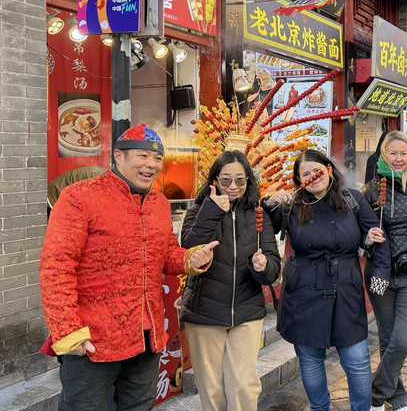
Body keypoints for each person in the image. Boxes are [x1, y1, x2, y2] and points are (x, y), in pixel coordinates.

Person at [39, 123, 217, 411]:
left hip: (146, 336)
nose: (152, 165)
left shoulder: (159, 202)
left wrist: (189, 259)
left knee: (139, 407)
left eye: (158, 158)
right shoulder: (79, 196)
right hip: (93, 340)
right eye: (143, 156)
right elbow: (56, 267)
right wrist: (68, 330)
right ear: (118, 157)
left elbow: (167, 254)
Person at [265, 149, 390, 411]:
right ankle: (318, 408)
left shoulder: (352, 199)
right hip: (303, 289)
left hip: (345, 287)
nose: (313, 177)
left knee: (356, 359)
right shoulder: (292, 205)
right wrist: (269, 203)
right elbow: (263, 227)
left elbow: (376, 237)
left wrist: (377, 268)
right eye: (305, 174)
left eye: (317, 170)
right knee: (310, 359)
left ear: (329, 170)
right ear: (299, 181)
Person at [180, 150, 281, 411]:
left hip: (247, 310)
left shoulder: (258, 214)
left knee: (244, 385)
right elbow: (187, 251)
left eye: (240, 180)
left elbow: (272, 268)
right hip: (205, 311)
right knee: (210, 388)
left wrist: (262, 266)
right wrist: (212, 211)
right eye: (225, 180)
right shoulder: (197, 211)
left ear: (249, 180)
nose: (233, 187)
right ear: (213, 180)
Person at [361, 131, 407, 411]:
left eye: (404, 153)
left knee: (402, 341)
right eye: (393, 153)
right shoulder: (370, 190)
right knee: (387, 338)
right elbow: (358, 233)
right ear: (382, 156)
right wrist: (367, 239)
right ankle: (399, 399)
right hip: (380, 275)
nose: (399, 159)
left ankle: (377, 395)